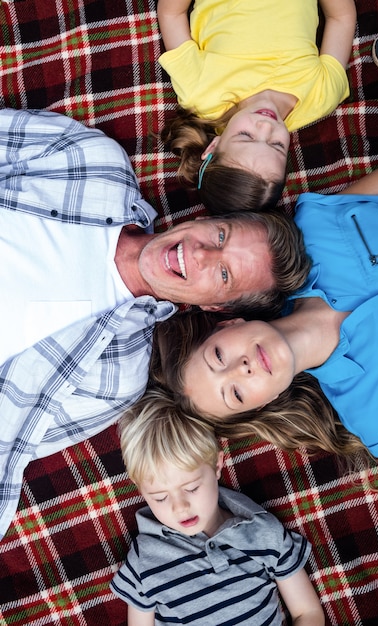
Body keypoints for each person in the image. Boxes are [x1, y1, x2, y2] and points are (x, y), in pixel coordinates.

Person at [0, 107, 310, 541]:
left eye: (223, 276)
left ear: (219, 309)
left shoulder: (116, 375)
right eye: (220, 236)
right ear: (204, 218)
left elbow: (9, 446)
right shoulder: (93, 164)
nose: (199, 254)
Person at [142, 139, 378, 476]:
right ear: (264, 403)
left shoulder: (314, 230)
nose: (240, 368)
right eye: (237, 394)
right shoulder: (377, 415)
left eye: (218, 357)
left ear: (229, 324)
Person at [110, 392, 324, 625]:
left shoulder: (262, 532)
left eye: (191, 488)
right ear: (141, 490)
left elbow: (307, 612)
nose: (180, 507)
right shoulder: (145, 558)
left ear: (217, 466)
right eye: (160, 497)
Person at [157, 0, 356, 214]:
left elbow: (172, 15)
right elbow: (340, 18)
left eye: (246, 135)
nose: (265, 126)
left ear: (213, 147)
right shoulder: (321, 96)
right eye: (277, 145)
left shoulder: (200, 93)